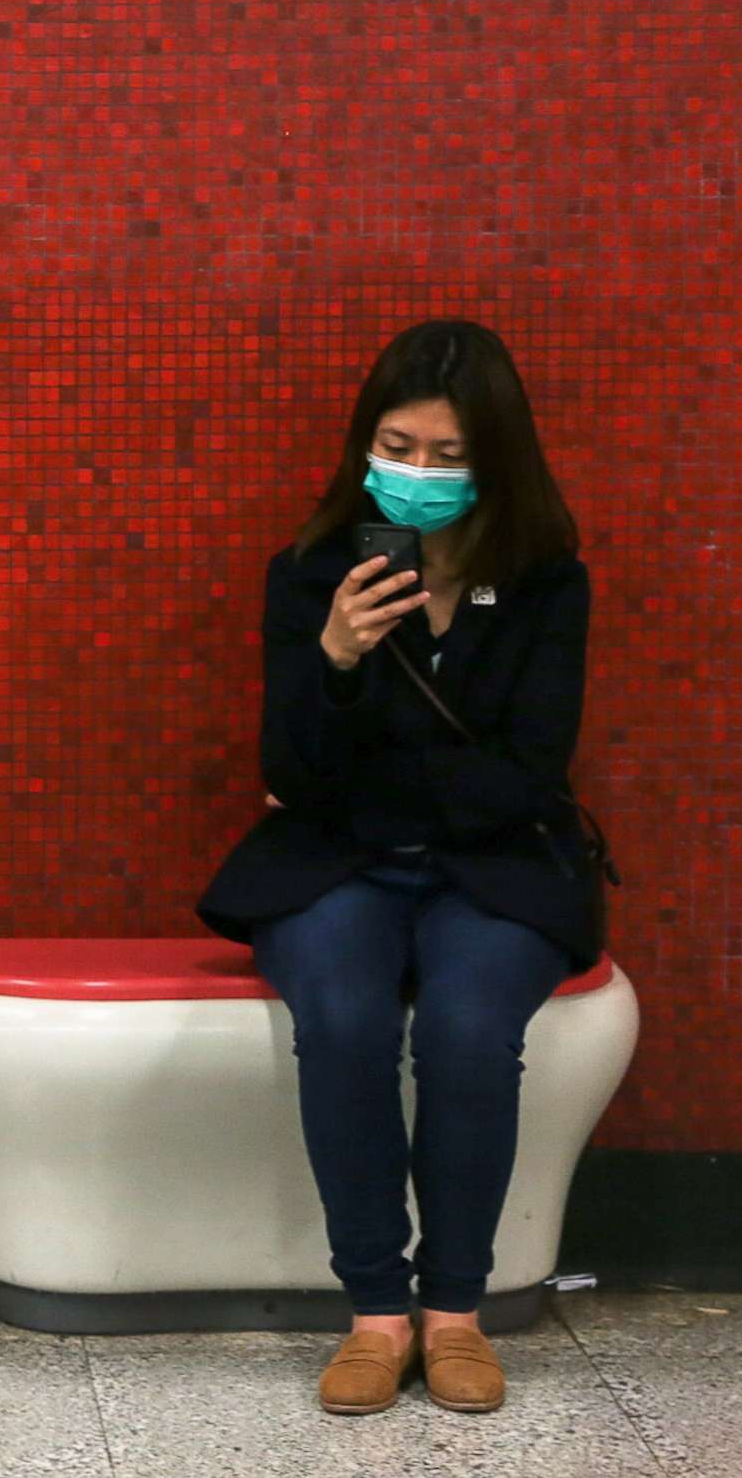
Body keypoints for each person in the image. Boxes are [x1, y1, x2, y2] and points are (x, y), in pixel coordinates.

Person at [198, 318, 601, 1417]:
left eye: (446, 454)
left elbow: (528, 770)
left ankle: (454, 1309)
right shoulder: (312, 576)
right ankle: (377, 1310)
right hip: (338, 867)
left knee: (471, 1031)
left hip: (492, 869)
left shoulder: (544, 584)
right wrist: (333, 658)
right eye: (398, 446)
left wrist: (362, 785)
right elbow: (287, 766)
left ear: (497, 460)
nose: (416, 473)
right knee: (345, 1018)